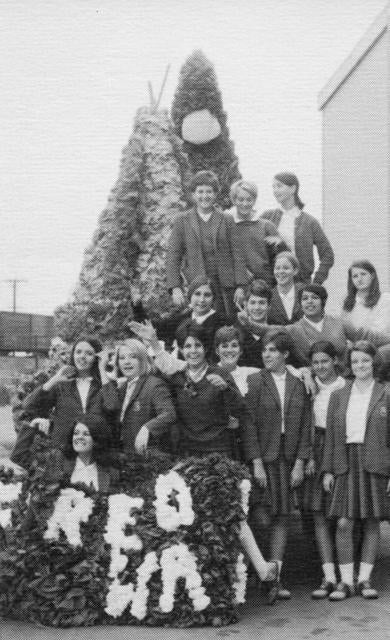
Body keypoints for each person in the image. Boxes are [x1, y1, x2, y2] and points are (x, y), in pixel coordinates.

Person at [128, 319, 278, 588]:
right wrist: (151, 341)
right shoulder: (178, 376)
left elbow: (243, 414)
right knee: (189, 514)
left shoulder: (220, 374)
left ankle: (262, 567)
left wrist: (226, 390)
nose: (193, 351)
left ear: (205, 348)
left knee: (229, 511)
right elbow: (156, 366)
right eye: (187, 346)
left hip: (220, 453)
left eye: (198, 346)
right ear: (182, 350)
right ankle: (200, 577)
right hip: (188, 454)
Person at [244, 330, 312, 600]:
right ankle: (260, 570)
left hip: (288, 457)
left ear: (285, 354)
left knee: (282, 516)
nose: (266, 355)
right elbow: (248, 424)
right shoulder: (255, 380)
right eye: (264, 350)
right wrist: (256, 462)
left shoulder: (298, 383)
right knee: (260, 516)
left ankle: (276, 578)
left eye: (272, 350)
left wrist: (299, 462)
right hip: (264, 457)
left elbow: (306, 424)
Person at [322, 341, 390, 601]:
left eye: (364, 360)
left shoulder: (386, 392)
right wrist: (328, 470)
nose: (360, 365)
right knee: (343, 523)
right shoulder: (339, 394)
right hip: (346, 461)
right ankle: (345, 582)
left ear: (374, 362)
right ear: (349, 366)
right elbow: (330, 436)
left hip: (375, 461)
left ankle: (364, 580)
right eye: (355, 362)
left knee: (372, 521)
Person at [238, 283, 390, 367]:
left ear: (323, 302)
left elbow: (370, 337)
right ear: (300, 304)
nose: (309, 301)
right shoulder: (294, 329)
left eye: (314, 297)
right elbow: (269, 330)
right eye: (305, 298)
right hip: (313, 386)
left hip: (344, 382)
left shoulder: (340, 323)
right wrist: (248, 323)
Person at [166, 170, 247, 318]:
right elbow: (173, 256)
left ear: (215, 194)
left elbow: (238, 254)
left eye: (209, 191)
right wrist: (175, 287)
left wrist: (241, 286)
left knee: (225, 324)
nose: (205, 196)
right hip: (197, 286)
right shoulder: (182, 220)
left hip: (225, 286)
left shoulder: (227, 220)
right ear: (193, 194)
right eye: (200, 191)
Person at [302, 341, 345, 599]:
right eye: (315, 363)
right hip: (316, 448)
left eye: (324, 361)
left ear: (335, 361)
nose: (320, 367)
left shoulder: (346, 386)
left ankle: (347, 573)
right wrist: (308, 455)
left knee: (343, 516)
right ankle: (328, 576)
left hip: (341, 447)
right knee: (318, 513)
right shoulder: (309, 384)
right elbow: (306, 423)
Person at [20, 335, 117, 449]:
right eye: (78, 352)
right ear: (73, 355)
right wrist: (54, 380)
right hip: (63, 449)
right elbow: (28, 406)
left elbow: (112, 407)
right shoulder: (61, 384)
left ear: (97, 358)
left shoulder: (105, 385)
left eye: (89, 353)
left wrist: (102, 369)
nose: (82, 357)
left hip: (97, 449)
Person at [261, 172, 334, 285]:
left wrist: (316, 282)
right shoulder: (267, 217)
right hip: (273, 285)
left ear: (293, 189)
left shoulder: (310, 222)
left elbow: (328, 255)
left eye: (279, 186)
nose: (275, 190)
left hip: (301, 284)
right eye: (273, 187)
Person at [11, 415, 116, 492]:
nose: (79, 437)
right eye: (76, 433)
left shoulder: (110, 471)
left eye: (86, 434)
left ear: (97, 439)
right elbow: (19, 456)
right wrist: (32, 425)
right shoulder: (56, 460)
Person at [113, 339, 176, 458]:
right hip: (127, 455)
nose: (127, 362)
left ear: (142, 359)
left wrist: (147, 428)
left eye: (133, 357)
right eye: (122, 358)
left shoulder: (154, 384)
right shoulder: (122, 388)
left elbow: (169, 414)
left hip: (150, 457)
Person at [226, 179, 284, 286]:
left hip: (265, 283)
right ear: (234, 200)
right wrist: (241, 271)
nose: (245, 204)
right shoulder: (227, 225)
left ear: (254, 200)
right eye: (240, 199)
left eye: (249, 200)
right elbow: (224, 256)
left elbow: (281, 256)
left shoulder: (266, 226)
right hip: (236, 285)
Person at [342, 260, 390, 334]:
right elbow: (342, 329)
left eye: (363, 274)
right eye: (355, 276)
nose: (359, 279)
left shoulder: (385, 299)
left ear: (372, 275)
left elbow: (380, 331)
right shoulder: (348, 301)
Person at [268, 252, 303, 325]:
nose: (281, 272)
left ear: (295, 271)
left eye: (286, 268)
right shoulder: (268, 296)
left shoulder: (304, 292)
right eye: (277, 268)